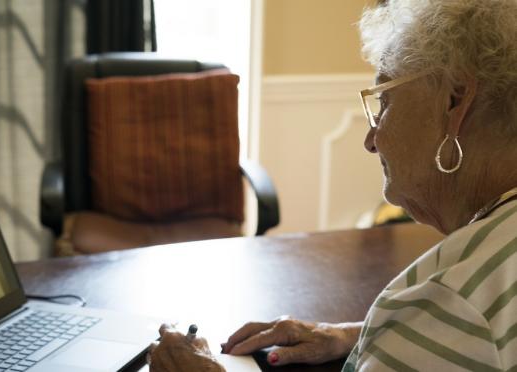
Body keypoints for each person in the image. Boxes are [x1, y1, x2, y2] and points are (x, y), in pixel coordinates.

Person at [148, 0, 517, 370]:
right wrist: (362, 333)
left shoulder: (452, 301)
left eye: (384, 102)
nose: (372, 139)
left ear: (455, 101)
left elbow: (460, 323)